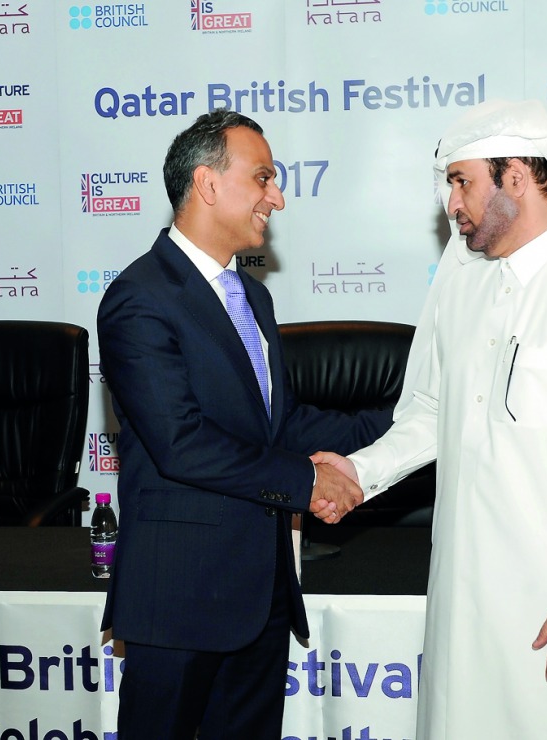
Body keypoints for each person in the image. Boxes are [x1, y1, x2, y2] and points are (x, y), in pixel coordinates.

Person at [313, 99, 547, 739]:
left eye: (461, 182)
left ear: (516, 176)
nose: (450, 205)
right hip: (468, 599)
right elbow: (433, 412)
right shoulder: (462, 286)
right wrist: (358, 472)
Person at [97, 108, 392, 739]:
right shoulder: (139, 298)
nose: (277, 197)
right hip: (179, 602)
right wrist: (306, 483)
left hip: (260, 599)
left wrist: (410, 426)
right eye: (263, 178)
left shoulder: (252, 295)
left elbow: (281, 426)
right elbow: (181, 443)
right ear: (206, 183)